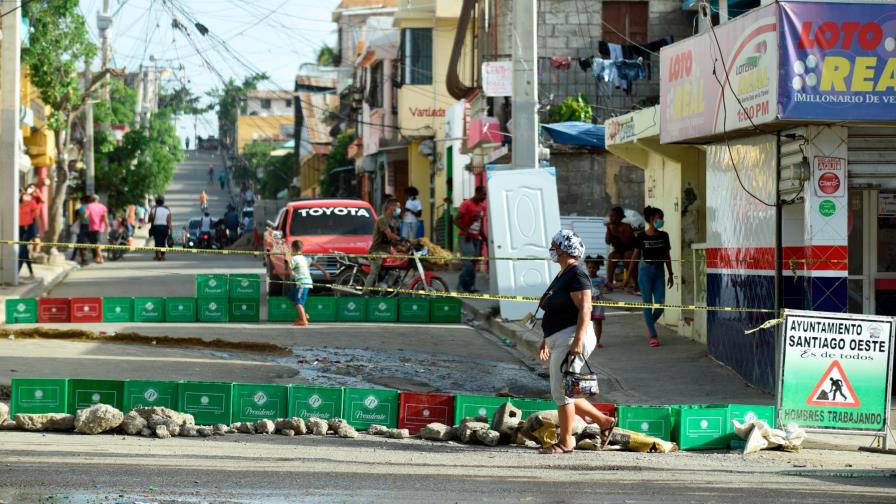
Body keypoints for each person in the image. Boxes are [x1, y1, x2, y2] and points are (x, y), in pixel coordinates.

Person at [537, 230, 616, 454]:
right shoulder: (563, 274)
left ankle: (566, 442)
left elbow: (586, 308)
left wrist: (578, 340)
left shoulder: (577, 275)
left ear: (564, 248)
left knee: (561, 392)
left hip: (571, 337)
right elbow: (555, 310)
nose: (552, 248)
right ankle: (604, 422)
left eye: (555, 244)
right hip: (559, 337)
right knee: (565, 390)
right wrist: (545, 339)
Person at [631, 206, 674, 348]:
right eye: (659, 217)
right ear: (651, 219)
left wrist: (671, 274)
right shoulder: (641, 236)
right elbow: (635, 256)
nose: (661, 220)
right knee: (647, 304)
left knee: (661, 305)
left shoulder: (664, 235)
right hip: (645, 271)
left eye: (662, 217)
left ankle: (650, 325)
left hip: (659, 271)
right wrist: (627, 278)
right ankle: (653, 335)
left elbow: (667, 256)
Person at [362, 198, 403, 294]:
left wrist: (405, 243)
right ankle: (365, 293)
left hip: (385, 251)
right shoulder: (382, 219)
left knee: (394, 269)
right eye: (398, 207)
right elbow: (389, 235)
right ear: (391, 207)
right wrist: (402, 239)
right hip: (377, 251)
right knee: (374, 271)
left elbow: (393, 239)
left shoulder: (391, 221)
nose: (399, 210)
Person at [288, 239, 329, 326]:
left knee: (299, 302)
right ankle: (302, 316)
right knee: (291, 296)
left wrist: (278, 272)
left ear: (292, 248)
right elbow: (315, 264)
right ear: (302, 249)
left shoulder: (294, 258)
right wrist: (324, 272)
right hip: (304, 282)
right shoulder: (305, 258)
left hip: (303, 283)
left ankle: (304, 321)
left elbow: (288, 271)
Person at [454, 185, 487, 293]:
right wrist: (466, 231)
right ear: (477, 193)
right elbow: (456, 220)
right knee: (468, 262)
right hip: (465, 237)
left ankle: (471, 287)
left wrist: (485, 239)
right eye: (483, 194)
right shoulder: (466, 204)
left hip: (477, 238)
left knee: (474, 262)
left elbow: (480, 225)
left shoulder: (482, 207)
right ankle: (462, 286)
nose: (484, 197)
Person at [604, 206, 638, 294]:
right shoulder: (610, 227)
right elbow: (607, 242)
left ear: (619, 217)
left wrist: (617, 232)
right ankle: (609, 284)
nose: (611, 218)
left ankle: (636, 284)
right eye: (610, 216)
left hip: (631, 249)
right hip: (619, 251)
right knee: (611, 257)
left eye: (613, 216)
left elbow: (627, 241)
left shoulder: (626, 226)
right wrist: (609, 230)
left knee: (628, 257)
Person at [585, 255, 607, 349]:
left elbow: (611, 285)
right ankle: (587, 341)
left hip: (598, 306)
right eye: (589, 267)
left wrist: (622, 284)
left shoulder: (601, 279)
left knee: (598, 323)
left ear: (597, 268)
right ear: (587, 268)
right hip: (587, 305)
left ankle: (597, 341)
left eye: (593, 267)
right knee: (586, 323)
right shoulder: (584, 278)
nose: (591, 269)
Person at [18, 192, 40, 279]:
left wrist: (38, 232)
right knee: (25, 252)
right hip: (19, 229)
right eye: (24, 194)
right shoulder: (18, 204)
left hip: (28, 228)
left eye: (28, 194)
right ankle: (31, 273)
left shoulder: (31, 203)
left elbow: (37, 217)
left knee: (22, 251)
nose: (26, 196)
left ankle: (16, 272)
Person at [82, 195, 110, 264]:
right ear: (98, 200)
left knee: (96, 243)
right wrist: (108, 226)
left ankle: (101, 257)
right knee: (95, 243)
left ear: (91, 199)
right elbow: (105, 218)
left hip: (92, 227)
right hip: (100, 228)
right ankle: (98, 257)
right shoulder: (103, 207)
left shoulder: (89, 206)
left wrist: (82, 218)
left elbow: (85, 216)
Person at [149, 196, 173, 261]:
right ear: (163, 202)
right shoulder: (167, 210)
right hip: (165, 228)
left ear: (156, 202)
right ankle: (162, 256)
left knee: (157, 241)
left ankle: (158, 255)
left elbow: (149, 219)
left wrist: (152, 210)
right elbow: (169, 221)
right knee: (163, 242)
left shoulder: (154, 209)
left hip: (156, 227)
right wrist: (171, 231)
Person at [70, 196, 90, 261]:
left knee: (79, 242)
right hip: (90, 226)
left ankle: (76, 257)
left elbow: (80, 218)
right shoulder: (89, 207)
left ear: (82, 201)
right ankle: (84, 258)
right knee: (86, 243)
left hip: (83, 226)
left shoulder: (82, 208)